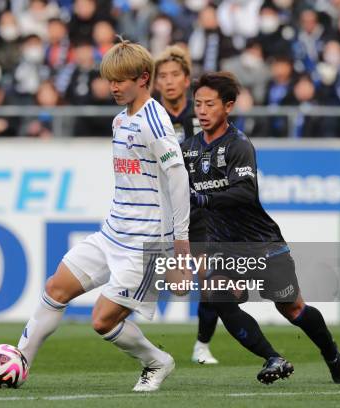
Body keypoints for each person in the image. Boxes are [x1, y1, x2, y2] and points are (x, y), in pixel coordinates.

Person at [0, 40, 191, 392]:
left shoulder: (154, 120)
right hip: (112, 232)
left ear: (144, 78)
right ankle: (20, 360)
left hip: (145, 242)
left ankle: (156, 361)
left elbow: (178, 178)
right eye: (110, 80)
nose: (113, 87)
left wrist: (180, 248)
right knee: (56, 288)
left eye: (121, 80)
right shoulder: (121, 120)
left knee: (102, 321)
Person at [183, 71, 340, 384]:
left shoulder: (239, 145)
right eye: (198, 104)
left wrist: (203, 198)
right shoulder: (188, 148)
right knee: (216, 294)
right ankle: (273, 357)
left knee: (292, 308)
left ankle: (332, 355)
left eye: (210, 104)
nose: (202, 111)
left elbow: (245, 191)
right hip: (223, 246)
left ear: (228, 106)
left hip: (262, 243)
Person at [154, 45, 219, 365]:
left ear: (186, 79)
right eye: (162, 76)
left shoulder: (202, 114)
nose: (168, 82)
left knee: (210, 277)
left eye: (174, 75)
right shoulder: (151, 116)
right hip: (160, 210)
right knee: (175, 285)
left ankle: (202, 345)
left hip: (200, 210)